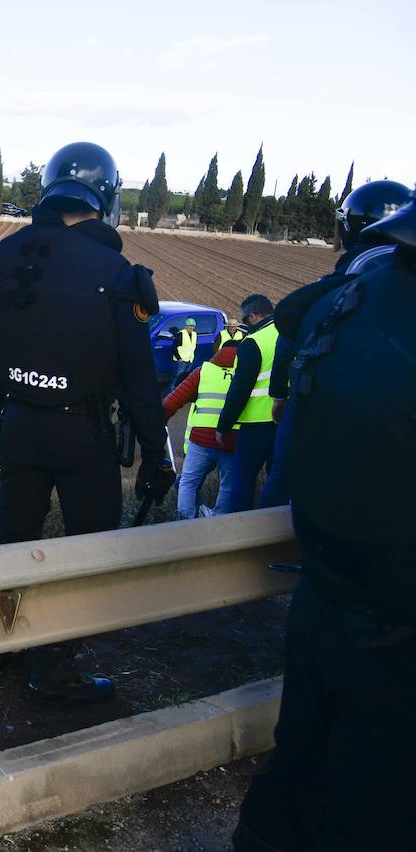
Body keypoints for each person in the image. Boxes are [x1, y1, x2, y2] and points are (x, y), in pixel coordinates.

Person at [233, 185, 416, 851]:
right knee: (372, 805)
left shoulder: (340, 306)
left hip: (323, 596)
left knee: (301, 765)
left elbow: (294, 317)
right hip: (396, 627)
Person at [0, 140, 170, 704]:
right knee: (86, 550)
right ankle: (54, 668)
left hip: (22, 426)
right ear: (105, 196)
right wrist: (156, 452)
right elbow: (136, 376)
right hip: (84, 435)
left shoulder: (9, 252)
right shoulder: (116, 270)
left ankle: (0, 648)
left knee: (14, 539)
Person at [260, 179, 410, 509]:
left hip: (330, 401)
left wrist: (280, 396)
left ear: (353, 226)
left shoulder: (343, 283)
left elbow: (289, 326)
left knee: (282, 474)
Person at [162, 339, 239, 519]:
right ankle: (219, 519)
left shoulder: (203, 371)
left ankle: (186, 522)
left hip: (201, 440)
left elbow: (172, 401)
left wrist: (157, 422)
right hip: (232, 440)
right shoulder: (246, 371)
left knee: (188, 482)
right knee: (228, 483)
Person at [214, 294, 276, 513]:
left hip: (256, 423)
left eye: (245, 319)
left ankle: (240, 527)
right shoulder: (288, 334)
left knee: (243, 479)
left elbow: (240, 389)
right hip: (285, 419)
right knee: (277, 478)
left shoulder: (252, 342)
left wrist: (224, 426)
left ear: (254, 316)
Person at [170, 316, 199, 388]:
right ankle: (170, 394)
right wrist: (179, 358)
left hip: (190, 359)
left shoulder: (194, 334)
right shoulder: (181, 334)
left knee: (185, 378)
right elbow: (174, 347)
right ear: (186, 326)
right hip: (181, 360)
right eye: (190, 326)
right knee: (177, 378)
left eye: (193, 326)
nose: (191, 328)